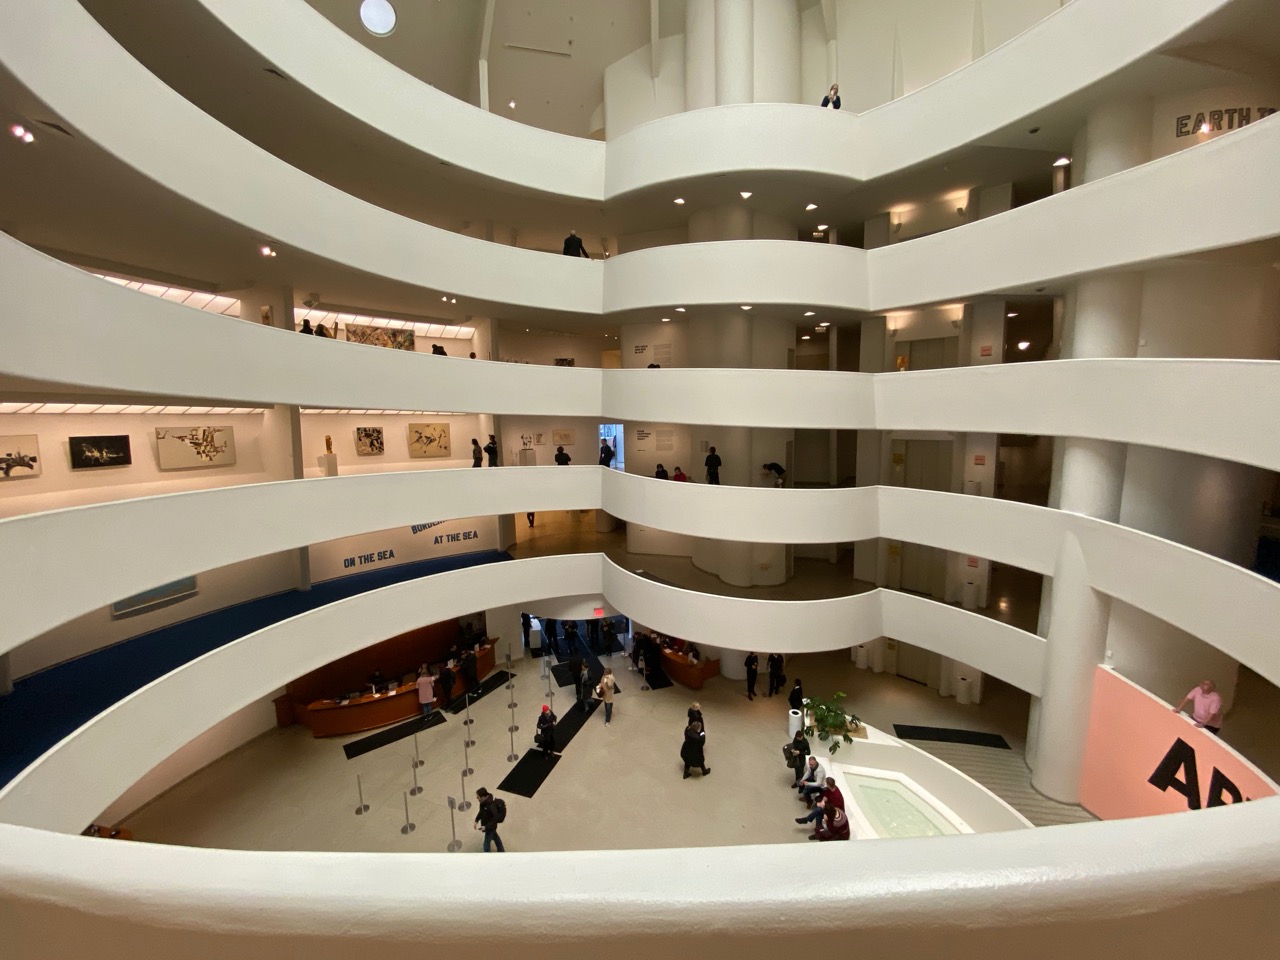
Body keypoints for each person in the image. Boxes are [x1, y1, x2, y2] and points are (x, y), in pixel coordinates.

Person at [473, 788, 505, 852]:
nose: (476, 798)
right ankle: (501, 850)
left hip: (490, 827)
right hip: (488, 826)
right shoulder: (483, 803)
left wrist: (486, 827)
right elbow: (481, 812)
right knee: (495, 837)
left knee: (486, 844)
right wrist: (476, 820)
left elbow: (495, 819)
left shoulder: (491, 806)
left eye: (478, 797)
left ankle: (487, 855)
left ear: (483, 797)